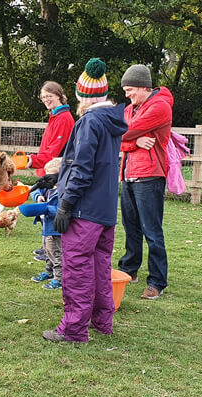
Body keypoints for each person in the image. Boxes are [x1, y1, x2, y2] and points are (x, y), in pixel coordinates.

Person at [42, 58, 128, 343]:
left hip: (84, 210)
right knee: (100, 267)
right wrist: (57, 178)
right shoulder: (111, 121)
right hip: (104, 210)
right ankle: (102, 321)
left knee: (77, 267)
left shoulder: (89, 122)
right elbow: (94, 164)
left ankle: (73, 329)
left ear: (81, 95)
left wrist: (66, 203)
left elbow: (83, 167)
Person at [117, 64, 174, 300]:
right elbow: (119, 138)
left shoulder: (159, 106)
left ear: (143, 86)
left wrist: (127, 137)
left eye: (130, 89)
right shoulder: (132, 108)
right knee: (131, 227)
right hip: (128, 174)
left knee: (152, 230)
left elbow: (121, 130)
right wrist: (134, 143)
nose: (127, 95)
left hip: (149, 175)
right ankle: (130, 269)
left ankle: (157, 281)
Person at [25, 81, 75, 260]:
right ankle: (46, 246)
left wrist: (33, 161)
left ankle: (53, 251)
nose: (46, 99)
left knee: (53, 210)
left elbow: (54, 151)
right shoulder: (55, 116)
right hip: (47, 170)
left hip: (56, 172)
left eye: (49, 96)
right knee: (46, 209)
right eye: (43, 97)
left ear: (59, 96)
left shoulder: (64, 118)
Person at [30, 158, 63, 290]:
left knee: (56, 253)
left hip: (56, 228)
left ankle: (59, 278)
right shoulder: (47, 188)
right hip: (46, 226)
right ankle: (49, 272)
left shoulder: (63, 192)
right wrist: (38, 197)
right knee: (47, 250)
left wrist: (46, 208)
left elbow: (62, 211)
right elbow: (34, 191)